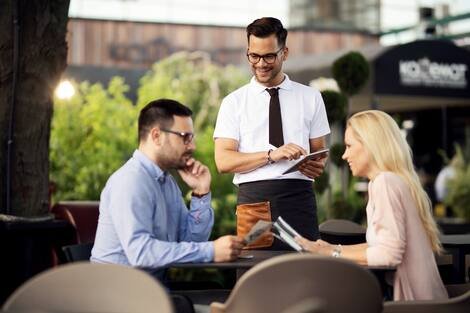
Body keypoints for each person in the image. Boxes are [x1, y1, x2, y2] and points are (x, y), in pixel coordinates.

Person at [296, 110, 448, 301]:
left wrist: (332, 253)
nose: (344, 155)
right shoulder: (387, 181)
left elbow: (388, 255)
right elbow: (381, 245)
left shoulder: (385, 182)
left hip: (412, 305)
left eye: (349, 146)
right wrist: (330, 248)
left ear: (371, 145)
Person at [91, 99, 245, 281]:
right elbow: (141, 253)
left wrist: (201, 193)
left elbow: (191, 243)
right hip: (115, 295)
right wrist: (211, 251)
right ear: (156, 136)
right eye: (184, 137)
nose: (192, 146)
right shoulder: (130, 181)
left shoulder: (166, 182)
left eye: (192, 138)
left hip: (148, 291)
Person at [213, 17, 330, 250]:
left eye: (269, 56)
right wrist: (271, 155)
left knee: (306, 276)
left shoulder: (311, 97)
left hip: (299, 201)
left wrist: (317, 164)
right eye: (253, 56)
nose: (260, 63)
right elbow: (223, 161)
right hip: (254, 204)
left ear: (284, 53)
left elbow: (320, 152)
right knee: (256, 275)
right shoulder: (233, 102)